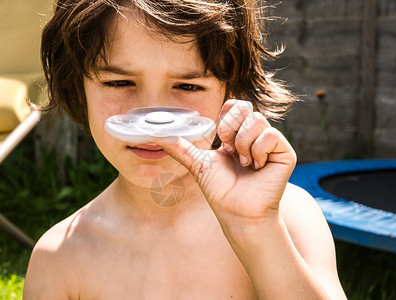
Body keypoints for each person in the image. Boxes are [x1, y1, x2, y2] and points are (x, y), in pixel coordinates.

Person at [24, 0, 347, 299]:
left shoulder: (285, 218)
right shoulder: (59, 259)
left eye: (188, 86)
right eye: (119, 83)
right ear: (77, 87)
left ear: (230, 90)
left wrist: (257, 232)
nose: (155, 120)